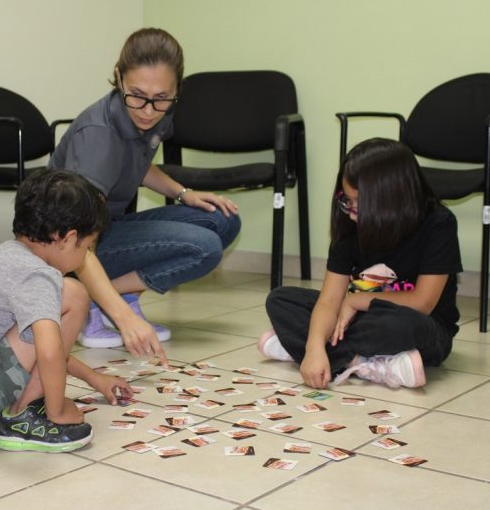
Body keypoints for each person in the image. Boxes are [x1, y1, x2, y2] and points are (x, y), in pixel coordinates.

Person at [0, 170, 166, 453]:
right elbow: (48, 351)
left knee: (65, 298)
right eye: (87, 247)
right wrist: (57, 412)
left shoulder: (9, 256)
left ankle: (26, 406)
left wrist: (94, 378)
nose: (85, 256)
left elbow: (34, 347)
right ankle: (22, 417)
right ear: (66, 238)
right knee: (75, 295)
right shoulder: (37, 276)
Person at [49, 27, 241, 348]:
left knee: (224, 219)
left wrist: (183, 194)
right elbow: (79, 242)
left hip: (106, 227)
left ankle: (111, 296)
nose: (148, 110)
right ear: (118, 77)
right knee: (205, 247)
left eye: (161, 98)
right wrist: (125, 322)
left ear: (175, 89)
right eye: (136, 95)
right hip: (66, 249)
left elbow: (136, 162)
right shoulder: (99, 137)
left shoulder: (152, 107)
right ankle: (93, 303)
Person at [258, 138, 462, 389]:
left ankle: (307, 349)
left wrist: (355, 300)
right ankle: (365, 361)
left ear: (391, 199)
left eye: (359, 202)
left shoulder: (438, 223)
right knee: (280, 300)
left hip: (421, 326)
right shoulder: (349, 226)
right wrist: (313, 348)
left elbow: (422, 303)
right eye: (347, 200)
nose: (350, 211)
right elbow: (329, 301)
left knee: (398, 325)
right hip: (360, 322)